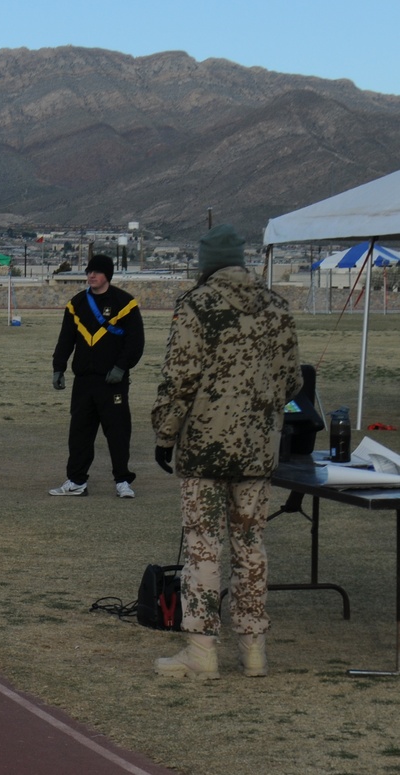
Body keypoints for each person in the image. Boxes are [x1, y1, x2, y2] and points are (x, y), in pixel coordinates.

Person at [151, 224, 302, 680]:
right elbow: (292, 380)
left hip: (205, 449)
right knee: (251, 546)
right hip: (257, 450)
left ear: (206, 262)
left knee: (203, 549)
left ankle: (201, 650)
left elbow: (180, 379)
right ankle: (254, 649)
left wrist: (165, 434)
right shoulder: (276, 307)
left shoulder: (196, 306)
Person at [49, 253, 144, 498]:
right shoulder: (77, 304)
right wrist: (58, 367)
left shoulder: (126, 304)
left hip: (112, 381)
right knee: (79, 433)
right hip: (84, 381)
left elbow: (135, 342)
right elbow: (66, 339)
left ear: (107, 276)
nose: (91, 275)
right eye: (89, 271)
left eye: (97, 272)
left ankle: (123, 481)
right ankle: (76, 481)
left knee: (118, 432)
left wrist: (121, 367)